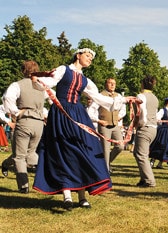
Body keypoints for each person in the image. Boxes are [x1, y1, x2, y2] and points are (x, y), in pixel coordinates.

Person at [32, 48, 133, 210]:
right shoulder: (63, 70)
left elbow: (99, 98)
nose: (90, 59)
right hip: (61, 113)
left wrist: (124, 99)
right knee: (64, 151)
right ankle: (67, 195)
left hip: (78, 114)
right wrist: (38, 80)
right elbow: (48, 83)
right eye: (88, 56)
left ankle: (82, 195)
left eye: (92, 58)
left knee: (86, 150)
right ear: (78, 55)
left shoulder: (86, 80)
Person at [2, 61, 45, 192]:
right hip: (39, 123)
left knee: (20, 156)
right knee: (31, 153)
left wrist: (16, 112)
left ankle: (24, 186)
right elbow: (52, 99)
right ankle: (47, 173)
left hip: (25, 121)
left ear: (22, 71)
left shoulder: (17, 85)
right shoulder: (42, 87)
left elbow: (6, 98)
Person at [134, 75, 159, 187]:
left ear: (143, 84)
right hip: (153, 128)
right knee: (138, 153)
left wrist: (140, 124)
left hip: (145, 127)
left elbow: (142, 112)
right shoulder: (155, 97)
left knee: (141, 155)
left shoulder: (141, 96)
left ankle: (149, 181)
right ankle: (143, 178)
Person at [98, 78, 126, 172]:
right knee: (106, 149)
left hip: (115, 125)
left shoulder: (118, 96)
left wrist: (120, 116)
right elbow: (93, 109)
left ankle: (106, 163)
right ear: (106, 84)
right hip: (104, 125)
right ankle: (105, 171)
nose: (112, 85)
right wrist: (98, 120)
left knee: (120, 146)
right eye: (110, 83)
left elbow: (123, 108)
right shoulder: (100, 95)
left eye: (114, 83)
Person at [149, 97, 168, 169]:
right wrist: (164, 122)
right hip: (163, 130)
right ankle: (152, 161)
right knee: (160, 145)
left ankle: (160, 163)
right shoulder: (162, 110)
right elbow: (157, 119)